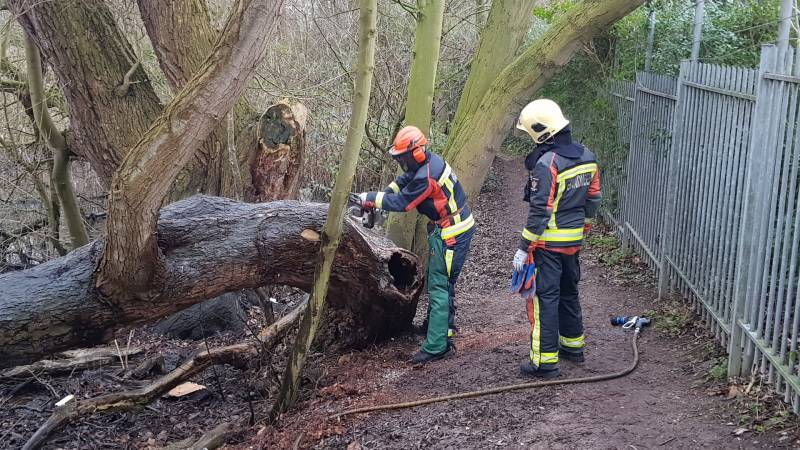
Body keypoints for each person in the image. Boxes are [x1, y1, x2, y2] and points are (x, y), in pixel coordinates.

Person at [358, 125, 476, 364]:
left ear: (416, 152)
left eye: (404, 157)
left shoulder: (427, 176)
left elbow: (403, 202)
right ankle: (440, 329)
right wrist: (382, 194)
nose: (402, 163)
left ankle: (437, 345)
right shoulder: (426, 164)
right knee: (440, 281)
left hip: (452, 232)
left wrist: (369, 199)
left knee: (440, 286)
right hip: (447, 227)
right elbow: (402, 182)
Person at [512, 99, 602, 378]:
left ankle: (544, 362)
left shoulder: (547, 163)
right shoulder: (587, 155)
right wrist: (582, 230)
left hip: (548, 245)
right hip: (572, 243)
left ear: (541, 131)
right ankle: (573, 348)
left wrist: (523, 247)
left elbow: (541, 210)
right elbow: (594, 199)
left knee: (544, 299)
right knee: (569, 292)